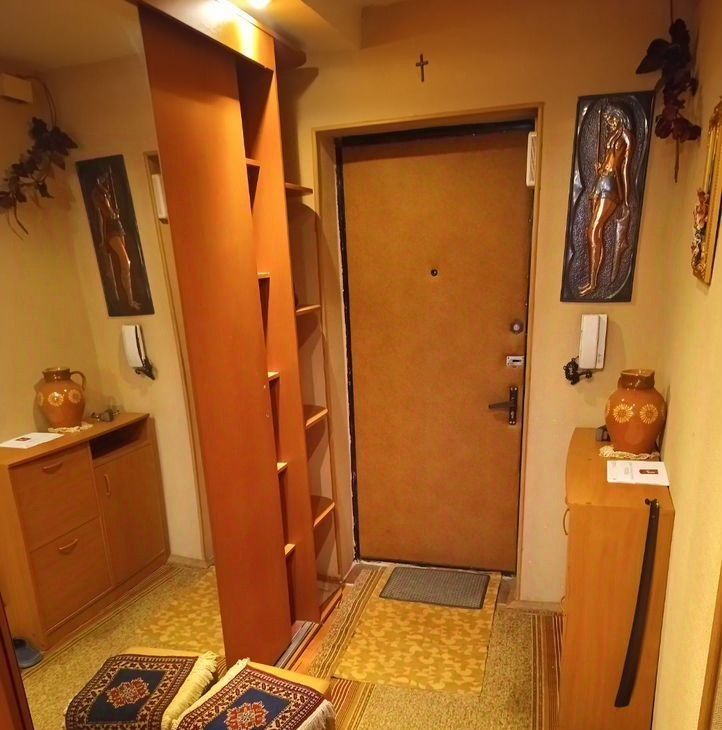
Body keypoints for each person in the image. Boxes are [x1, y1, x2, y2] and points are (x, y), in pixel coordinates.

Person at [579, 106, 634, 296]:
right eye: (608, 120)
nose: (609, 123)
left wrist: (626, 197)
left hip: (611, 184)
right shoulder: (611, 136)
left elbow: (625, 167)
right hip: (600, 181)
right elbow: (608, 161)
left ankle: (594, 283)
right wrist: (600, 168)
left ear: (620, 117)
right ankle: (592, 280)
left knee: (594, 229)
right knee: (591, 231)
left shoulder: (626, 136)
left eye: (612, 119)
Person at [90, 171, 142, 311]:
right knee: (125, 262)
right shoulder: (98, 197)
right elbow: (101, 219)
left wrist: (115, 213)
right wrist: (102, 239)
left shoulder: (106, 193)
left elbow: (111, 212)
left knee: (126, 264)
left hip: (117, 225)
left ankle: (130, 299)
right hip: (110, 229)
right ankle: (129, 300)